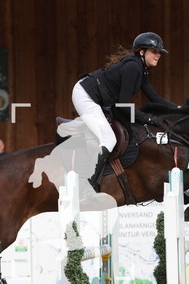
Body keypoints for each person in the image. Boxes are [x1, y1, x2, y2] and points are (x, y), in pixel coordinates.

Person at [72, 32, 178, 191]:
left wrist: (177, 109)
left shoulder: (141, 68)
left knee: (127, 127)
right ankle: (89, 184)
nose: (158, 55)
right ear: (142, 52)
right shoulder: (133, 67)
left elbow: (153, 96)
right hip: (86, 96)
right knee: (109, 139)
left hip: (99, 98)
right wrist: (148, 119)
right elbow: (123, 105)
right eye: (154, 51)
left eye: (159, 52)